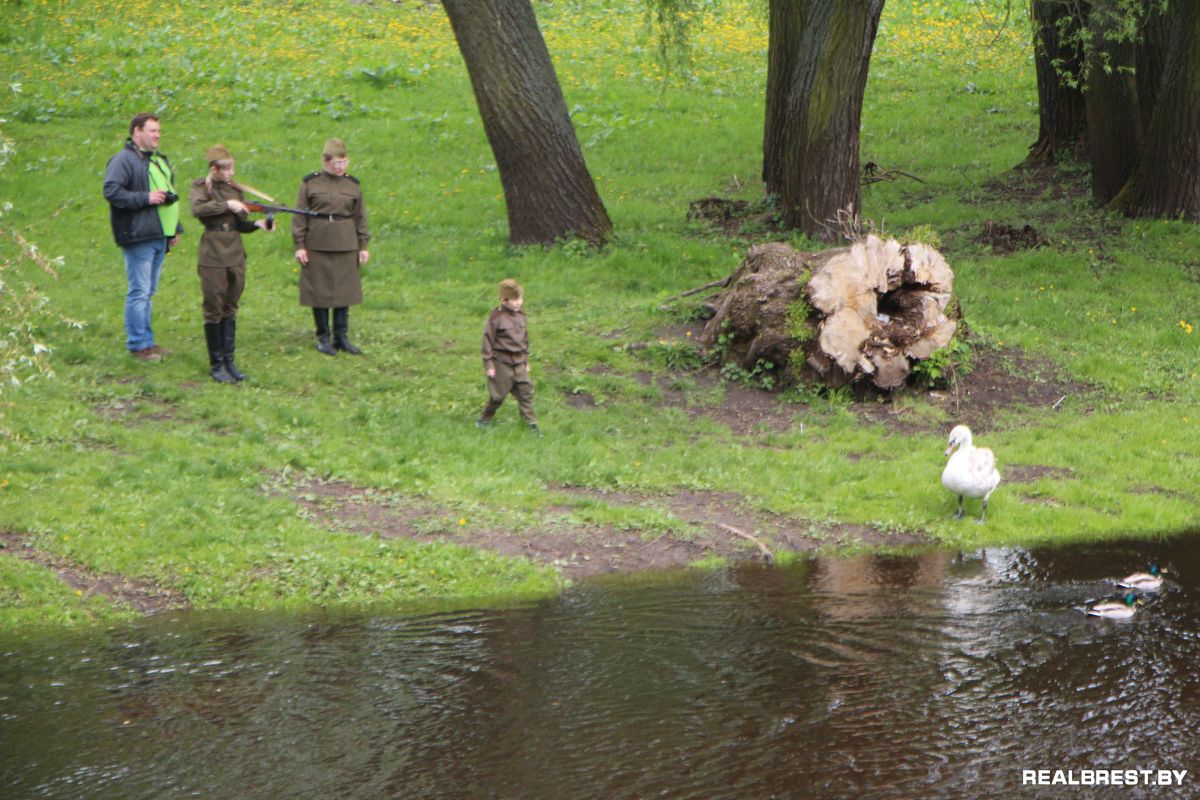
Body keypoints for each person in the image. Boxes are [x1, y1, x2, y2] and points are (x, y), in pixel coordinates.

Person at [188, 145, 273, 383]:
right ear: (214, 169)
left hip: (235, 254)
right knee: (214, 308)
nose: (231, 173)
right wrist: (227, 205)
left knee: (231, 307)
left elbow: (240, 223)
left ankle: (229, 361)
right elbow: (198, 210)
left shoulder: (234, 189)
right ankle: (216, 365)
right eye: (227, 169)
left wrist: (257, 225)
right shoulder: (200, 188)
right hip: (213, 256)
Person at [103, 112, 183, 361]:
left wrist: (174, 229)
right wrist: (144, 198)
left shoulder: (157, 161)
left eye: (159, 131)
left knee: (148, 291)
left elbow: (170, 194)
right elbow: (111, 191)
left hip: (159, 234)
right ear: (137, 132)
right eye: (152, 131)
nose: (157, 135)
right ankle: (138, 345)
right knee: (139, 291)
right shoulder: (123, 160)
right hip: (138, 234)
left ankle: (147, 341)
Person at [291, 138, 370, 356]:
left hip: (346, 243)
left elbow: (360, 217)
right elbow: (300, 216)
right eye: (336, 163)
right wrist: (300, 245)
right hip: (318, 242)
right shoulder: (311, 184)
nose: (340, 168)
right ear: (325, 162)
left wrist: (363, 245)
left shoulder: (352, 185)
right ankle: (323, 336)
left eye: (344, 163)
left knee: (345, 291)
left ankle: (341, 337)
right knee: (319, 290)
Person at [477, 279, 539, 433]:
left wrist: (525, 360)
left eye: (520, 299)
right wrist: (489, 364)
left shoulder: (521, 317)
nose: (519, 303)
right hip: (501, 363)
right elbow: (487, 342)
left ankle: (530, 424)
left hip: (519, 362)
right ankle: (484, 419)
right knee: (498, 396)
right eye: (514, 300)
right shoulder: (496, 318)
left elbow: (524, 340)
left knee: (526, 392)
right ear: (504, 300)